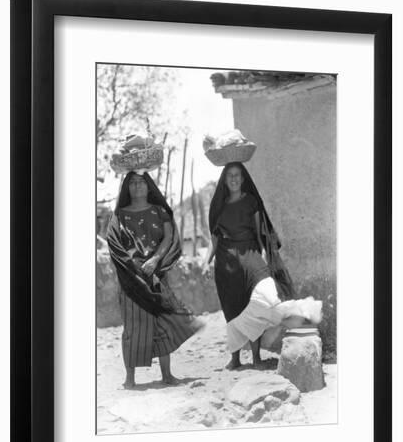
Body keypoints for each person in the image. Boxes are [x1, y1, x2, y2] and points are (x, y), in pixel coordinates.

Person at [202, 162, 322, 369]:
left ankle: (257, 356)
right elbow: (214, 239)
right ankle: (236, 358)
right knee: (232, 308)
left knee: (262, 299)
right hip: (226, 262)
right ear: (224, 179)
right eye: (230, 175)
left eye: (237, 175)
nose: (234, 179)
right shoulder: (218, 205)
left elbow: (259, 232)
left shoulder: (250, 201)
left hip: (251, 254)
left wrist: (265, 253)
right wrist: (207, 262)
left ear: (243, 178)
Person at [107, 171, 203, 388]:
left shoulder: (159, 211)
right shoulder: (119, 216)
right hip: (131, 279)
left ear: (149, 186)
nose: (137, 186)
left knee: (162, 323)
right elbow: (113, 243)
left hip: (156, 275)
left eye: (141, 182)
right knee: (132, 327)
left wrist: (155, 261)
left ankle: (167, 375)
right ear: (127, 187)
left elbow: (169, 238)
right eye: (132, 183)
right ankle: (129, 379)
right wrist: (133, 267)